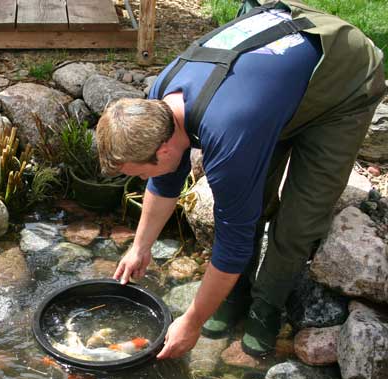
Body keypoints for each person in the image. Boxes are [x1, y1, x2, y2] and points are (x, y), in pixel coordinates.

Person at [96, 0, 386, 359]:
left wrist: (192, 321)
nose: (142, 180)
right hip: (272, 90)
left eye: (140, 172)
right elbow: (166, 182)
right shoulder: (159, 103)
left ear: (165, 149)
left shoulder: (229, 131)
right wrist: (141, 247)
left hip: (342, 81)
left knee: (300, 219)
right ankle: (235, 292)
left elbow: (233, 242)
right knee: (254, 198)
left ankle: (266, 306)